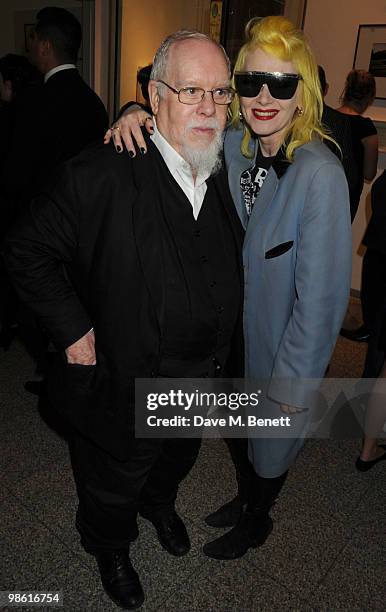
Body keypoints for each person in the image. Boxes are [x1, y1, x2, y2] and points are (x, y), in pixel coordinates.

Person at [5, 31, 244, 609]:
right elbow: (23, 249)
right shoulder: (100, 173)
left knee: (176, 459)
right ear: (156, 96)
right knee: (113, 479)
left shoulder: (220, 163)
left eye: (220, 92)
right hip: (126, 379)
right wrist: (74, 332)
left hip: (202, 377)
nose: (209, 107)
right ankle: (109, 545)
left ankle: (159, 505)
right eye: (191, 91)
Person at [105, 15, 352, 561]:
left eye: (282, 84)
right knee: (243, 437)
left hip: (280, 348)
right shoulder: (236, 144)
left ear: (303, 92)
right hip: (229, 340)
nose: (265, 97)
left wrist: (292, 392)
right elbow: (178, 128)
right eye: (250, 82)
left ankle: (258, 517)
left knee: (269, 445)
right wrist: (134, 113)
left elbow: (321, 307)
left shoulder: (320, 175)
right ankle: (246, 497)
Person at [0, 7, 109, 392]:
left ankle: (55, 377)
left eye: (34, 42)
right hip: (86, 232)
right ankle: (69, 374)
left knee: (39, 307)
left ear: (44, 47)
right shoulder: (94, 102)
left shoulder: (34, 103)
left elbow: (17, 173)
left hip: (42, 228)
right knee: (73, 304)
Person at [337, 70, 379, 344]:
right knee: (335, 257)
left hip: (316, 192)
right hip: (344, 198)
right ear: (370, 97)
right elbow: (369, 173)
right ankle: (337, 316)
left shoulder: (327, 117)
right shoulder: (367, 130)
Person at [318, 65, 359, 222]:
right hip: (327, 206)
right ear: (326, 88)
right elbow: (350, 176)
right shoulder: (338, 121)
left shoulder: (286, 117)